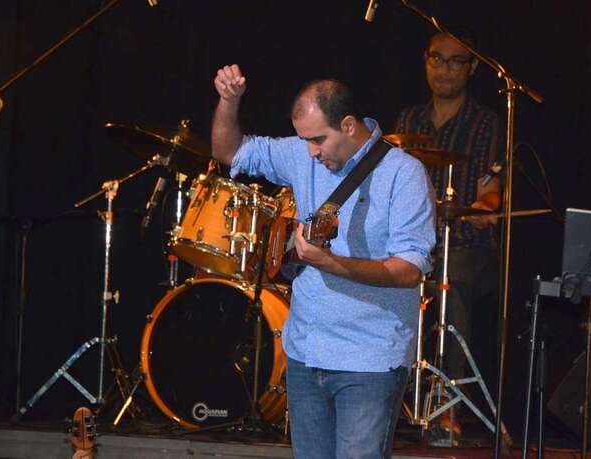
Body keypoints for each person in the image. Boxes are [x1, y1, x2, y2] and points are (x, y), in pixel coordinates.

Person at [211, 64, 435, 459]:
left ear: (348, 126)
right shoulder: (303, 154)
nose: (311, 152)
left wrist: (330, 263)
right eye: (305, 141)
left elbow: (409, 269)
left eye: (318, 140)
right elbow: (229, 151)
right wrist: (229, 102)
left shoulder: (403, 174)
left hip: (368, 359)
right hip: (306, 352)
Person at [393, 32, 503, 417]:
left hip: (467, 246)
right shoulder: (409, 120)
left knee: (450, 282)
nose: (444, 69)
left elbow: (492, 192)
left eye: (456, 61)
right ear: (425, 61)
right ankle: (385, 397)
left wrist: (481, 206)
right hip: (414, 244)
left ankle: (445, 407)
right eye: (436, 59)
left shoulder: (486, 123)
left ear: (472, 68)